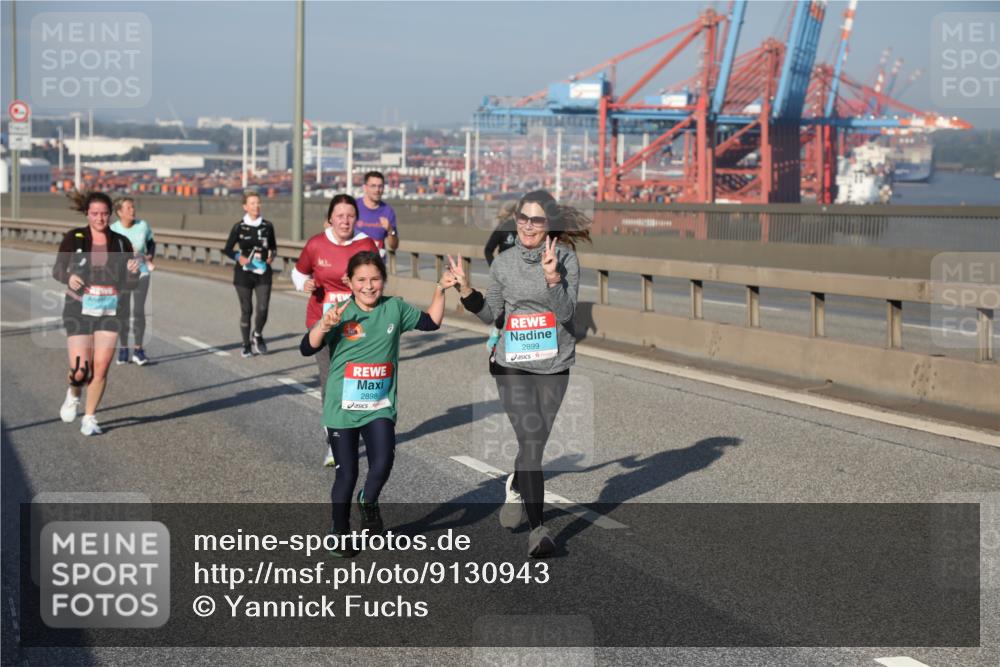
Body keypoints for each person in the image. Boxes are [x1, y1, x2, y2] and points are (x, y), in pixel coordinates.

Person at [446, 190, 590, 558]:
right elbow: (492, 313)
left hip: (555, 363)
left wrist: (553, 277)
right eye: (522, 218)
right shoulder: (504, 263)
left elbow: (567, 315)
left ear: (549, 225)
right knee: (530, 441)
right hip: (511, 361)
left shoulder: (567, 260)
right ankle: (538, 530)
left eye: (536, 220)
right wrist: (465, 290)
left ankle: (515, 485)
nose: (527, 225)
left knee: (534, 443)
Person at [300, 251, 453, 557]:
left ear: (383, 280)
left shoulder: (394, 307)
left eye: (375, 279)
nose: (369, 286)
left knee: (382, 462)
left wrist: (440, 288)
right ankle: (339, 531)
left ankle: (368, 501)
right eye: (361, 280)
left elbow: (432, 322)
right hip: (342, 409)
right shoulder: (339, 312)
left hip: (379, 406)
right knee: (347, 474)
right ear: (350, 282)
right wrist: (323, 326)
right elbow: (307, 347)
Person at [291, 194, 378, 467]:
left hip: (355, 324)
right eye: (339, 215)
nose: (345, 221)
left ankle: (354, 429)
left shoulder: (365, 244)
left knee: (353, 381)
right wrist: (303, 284)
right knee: (330, 381)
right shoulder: (316, 244)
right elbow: (299, 272)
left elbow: (377, 282)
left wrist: (357, 284)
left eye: (350, 215)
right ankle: (334, 441)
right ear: (330, 218)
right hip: (322, 322)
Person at [54, 191, 141, 436]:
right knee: (81, 370)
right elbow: (57, 269)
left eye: (104, 213)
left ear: (110, 215)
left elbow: (130, 283)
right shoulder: (75, 238)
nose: (100, 218)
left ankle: (90, 417)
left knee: (101, 368)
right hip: (78, 310)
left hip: (110, 311)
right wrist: (68, 277)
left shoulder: (121, 243)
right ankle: (73, 393)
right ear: (87, 214)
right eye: (95, 214)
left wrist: (133, 271)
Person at [222, 191, 278, 357]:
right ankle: (246, 344)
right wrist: (239, 257)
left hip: (263, 272)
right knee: (247, 310)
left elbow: (274, 248)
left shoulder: (268, 226)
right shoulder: (239, 227)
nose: (256, 206)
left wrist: (271, 256)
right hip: (243, 274)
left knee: (263, 307)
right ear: (245, 207)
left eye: (258, 203)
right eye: (252, 203)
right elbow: (227, 249)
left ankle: (258, 335)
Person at [110, 197, 156, 366]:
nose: (132, 210)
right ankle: (123, 348)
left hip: (142, 272)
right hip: (121, 276)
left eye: (133, 207)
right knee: (122, 311)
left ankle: (138, 349)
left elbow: (151, 243)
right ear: (119, 212)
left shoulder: (142, 225)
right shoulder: (112, 229)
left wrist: (149, 255)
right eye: (128, 208)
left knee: (138, 310)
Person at [482, 205, 518, 350]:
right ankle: (496, 332)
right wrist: (494, 267)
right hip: (503, 275)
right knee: (502, 308)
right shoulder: (504, 228)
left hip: (521, 275)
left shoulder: (529, 231)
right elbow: (488, 250)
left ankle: (517, 338)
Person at [354, 171, 399, 259]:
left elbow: (394, 246)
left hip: (377, 265)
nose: (377, 190)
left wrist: (390, 230)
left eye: (380, 186)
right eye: (373, 186)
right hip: (355, 264)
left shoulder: (388, 211)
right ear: (365, 188)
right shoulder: (354, 207)